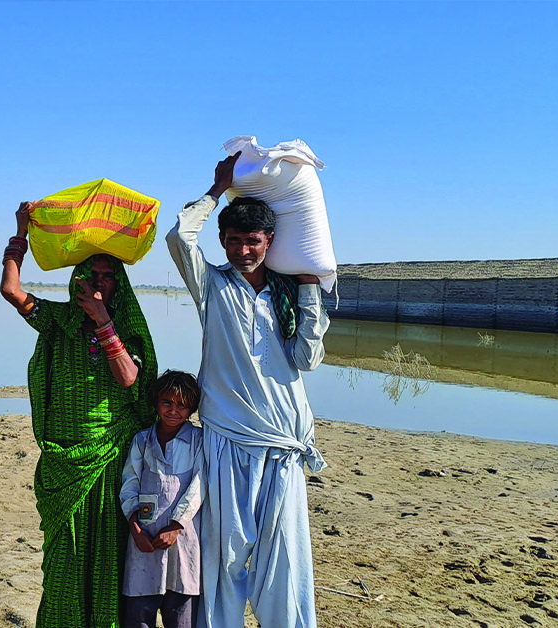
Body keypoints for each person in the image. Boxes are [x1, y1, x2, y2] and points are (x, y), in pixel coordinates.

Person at [164, 152, 330, 628]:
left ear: (269, 241)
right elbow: (179, 237)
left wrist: (309, 289)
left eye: (252, 241)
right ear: (222, 241)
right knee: (224, 561)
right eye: (233, 241)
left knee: (285, 562)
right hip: (227, 440)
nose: (242, 251)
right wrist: (216, 190)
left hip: (282, 445)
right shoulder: (212, 286)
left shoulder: (290, 295)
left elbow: (306, 360)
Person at [0, 202, 158, 628]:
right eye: (92, 274)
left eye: (109, 275)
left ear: (119, 284)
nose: (100, 282)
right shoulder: (59, 319)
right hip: (62, 457)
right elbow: (12, 291)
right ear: (77, 279)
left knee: (107, 551)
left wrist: (105, 322)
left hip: (110, 456)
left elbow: (129, 379)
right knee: (64, 556)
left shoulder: (130, 327)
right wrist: (20, 233)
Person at [120, 370, 205, 628]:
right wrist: (135, 528)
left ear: (191, 408)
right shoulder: (142, 440)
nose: (173, 411)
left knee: (180, 614)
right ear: (156, 404)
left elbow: (200, 486)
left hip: (183, 539)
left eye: (182, 405)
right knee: (138, 614)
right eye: (167, 403)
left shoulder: (198, 440)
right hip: (144, 540)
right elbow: (129, 484)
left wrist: (176, 527)